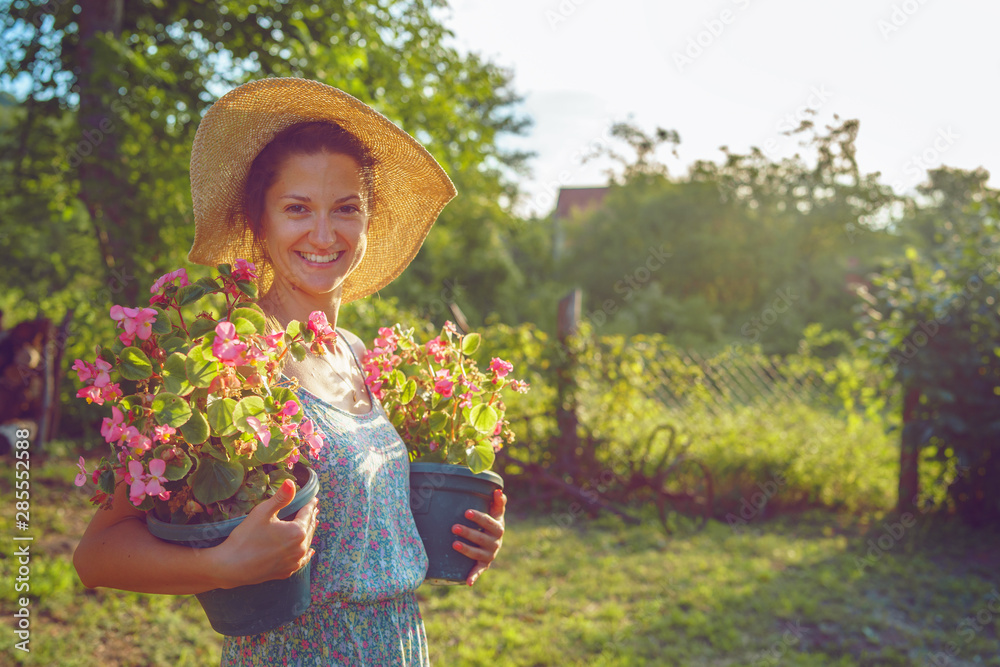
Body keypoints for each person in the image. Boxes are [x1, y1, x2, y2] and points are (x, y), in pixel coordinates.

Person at [73, 78, 507, 666]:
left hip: (399, 645)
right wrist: (218, 567)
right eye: (297, 209)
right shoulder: (224, 368)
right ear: (260, 222)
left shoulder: (356, 353)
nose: (324, 235)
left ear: (368, 221)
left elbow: (368, 521)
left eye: (346, 209)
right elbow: (97, 554)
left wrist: (461, 541)